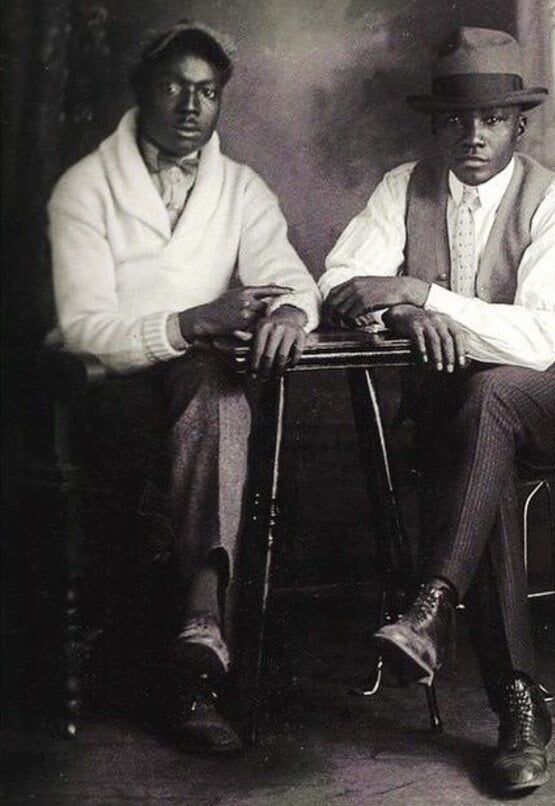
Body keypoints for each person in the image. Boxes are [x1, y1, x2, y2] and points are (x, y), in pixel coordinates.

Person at [319, 27, 555, 794]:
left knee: (492, 396)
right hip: (464, 412)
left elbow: (540, 339)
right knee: (482, 447)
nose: (473, 135)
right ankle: (520, 710)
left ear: (520, 124)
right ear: (436, 124)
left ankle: (429, 605)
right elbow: (342, 279)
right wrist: (403, 319)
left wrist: (421, 293)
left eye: (491, 119)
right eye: (456, 120)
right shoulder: (402, 188)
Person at [48, 21, 320, 753]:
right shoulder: (86, 189)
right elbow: (82, 326)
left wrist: (293, 308)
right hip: (109, 388)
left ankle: (201, 633)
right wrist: (192, 321)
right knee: (206, 398)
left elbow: (288, 273)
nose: (191, 105)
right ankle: (193, 654)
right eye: (174, 86)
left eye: (207, 91)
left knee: (220, 391)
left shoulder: (240, 188)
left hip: (199, 381)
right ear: (142, 91)